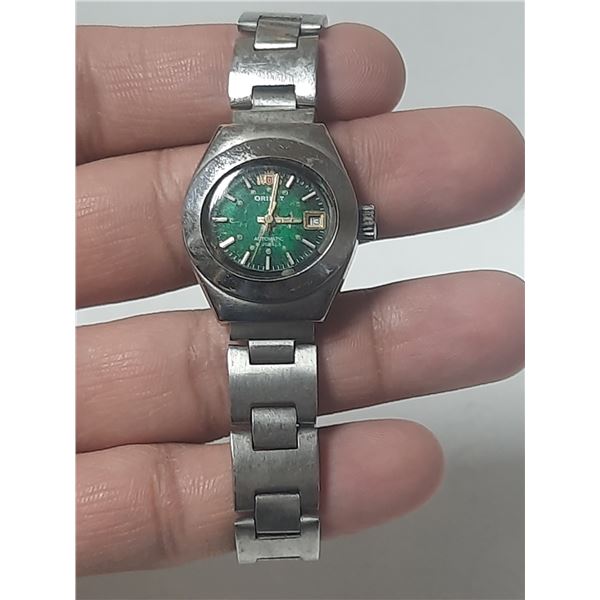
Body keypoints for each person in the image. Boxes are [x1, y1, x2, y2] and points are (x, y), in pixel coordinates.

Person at [76, 22, 524, 575]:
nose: (266, 220)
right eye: (260, 216)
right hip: (252, 298)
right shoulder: (233, 203)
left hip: (284, 295)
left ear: (355, 223)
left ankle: (275, 530)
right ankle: (272, 530)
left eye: (275, 215)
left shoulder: (266, 205)